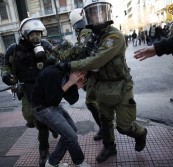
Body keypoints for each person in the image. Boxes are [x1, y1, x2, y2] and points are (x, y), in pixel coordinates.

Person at [59, 0, 147, 163]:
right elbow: (83, 54)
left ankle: (140, 133)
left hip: (120, 85)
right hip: (102, 85)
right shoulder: (92, 36)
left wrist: (69, 65)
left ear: (107, 14)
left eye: (99, 13)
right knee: (105, 121)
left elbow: (96, 60)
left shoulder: (114, 36)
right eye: (92, 14)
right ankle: (109, 147)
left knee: (124, 127)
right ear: (88, 18)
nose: (96, 16)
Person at [1, 18, 57, 167]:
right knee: (32, 119)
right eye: (32, 34)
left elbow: (59, 59)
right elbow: (5, 66)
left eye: (38, 34)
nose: (36, 37)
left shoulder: (45, 46)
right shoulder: (14, 50)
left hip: (44, 89)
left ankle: (43, 150)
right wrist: (5, 75)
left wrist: (53, 61)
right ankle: (50, 127)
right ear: (25, 34)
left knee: (43, 121)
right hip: (27, 90)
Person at [31, 64, 90, 167]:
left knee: (72, 131)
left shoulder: (67, 75)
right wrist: (70, 83)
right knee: (71, 136)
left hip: (52, 106)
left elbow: (71, 100)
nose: (83, 77)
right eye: (82, 73)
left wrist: (75, 86)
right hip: (42, 108)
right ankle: (79, 162)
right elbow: (53, 99)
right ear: (75, 70)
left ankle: (52, 162)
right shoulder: (54, 73)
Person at [68, 8, 103, 141]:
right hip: (94, 72)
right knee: (95, 102)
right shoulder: (88, 31)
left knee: (92, 103)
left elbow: (83, 52)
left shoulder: (85, 32)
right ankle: (104, 129)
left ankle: (105, 130)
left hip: (94, 74)